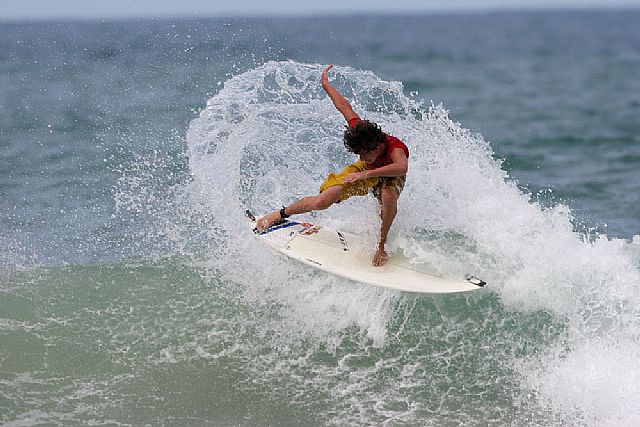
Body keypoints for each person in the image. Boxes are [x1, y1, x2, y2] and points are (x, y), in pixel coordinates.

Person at [256, 65, 409, 267]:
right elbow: (344, 107)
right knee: (324, 200)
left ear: (376, 145)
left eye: (364, 152)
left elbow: (401, 167)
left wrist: (367, 174)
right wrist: (326, 85)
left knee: (388, 197)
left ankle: (381, 245)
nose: (361, 156)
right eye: (358, 154)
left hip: (391, 174)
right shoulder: (360, 132)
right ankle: (280, 214)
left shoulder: (395, 148)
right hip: (366, 172)